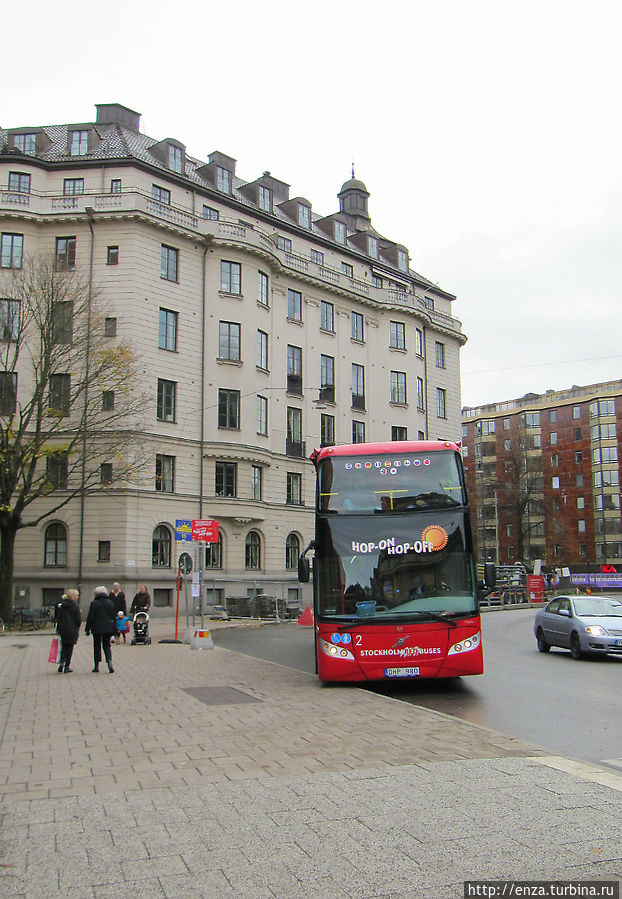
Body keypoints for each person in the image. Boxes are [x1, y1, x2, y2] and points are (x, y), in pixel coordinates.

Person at [85, 586, 117, 673]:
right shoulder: (111, 602)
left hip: (97, 627)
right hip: (108, 627)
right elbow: (114, 616)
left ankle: (96, 666)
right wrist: (115, 629)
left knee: (97, 646)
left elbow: (90, 617)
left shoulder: (94, 603)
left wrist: (87, 629)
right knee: (107, 645)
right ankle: (109, 663)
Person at [54, 589, 81, 673]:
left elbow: (59, 618)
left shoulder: (62, 606)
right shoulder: (75, 606)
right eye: (77, 596)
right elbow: (78, 620)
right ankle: (67, 666)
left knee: (64, 647)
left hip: (63, 629)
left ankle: (61, 663)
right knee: (70, 648)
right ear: (73, 597)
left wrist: (58, 629)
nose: (77, 597)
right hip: (72, 629)